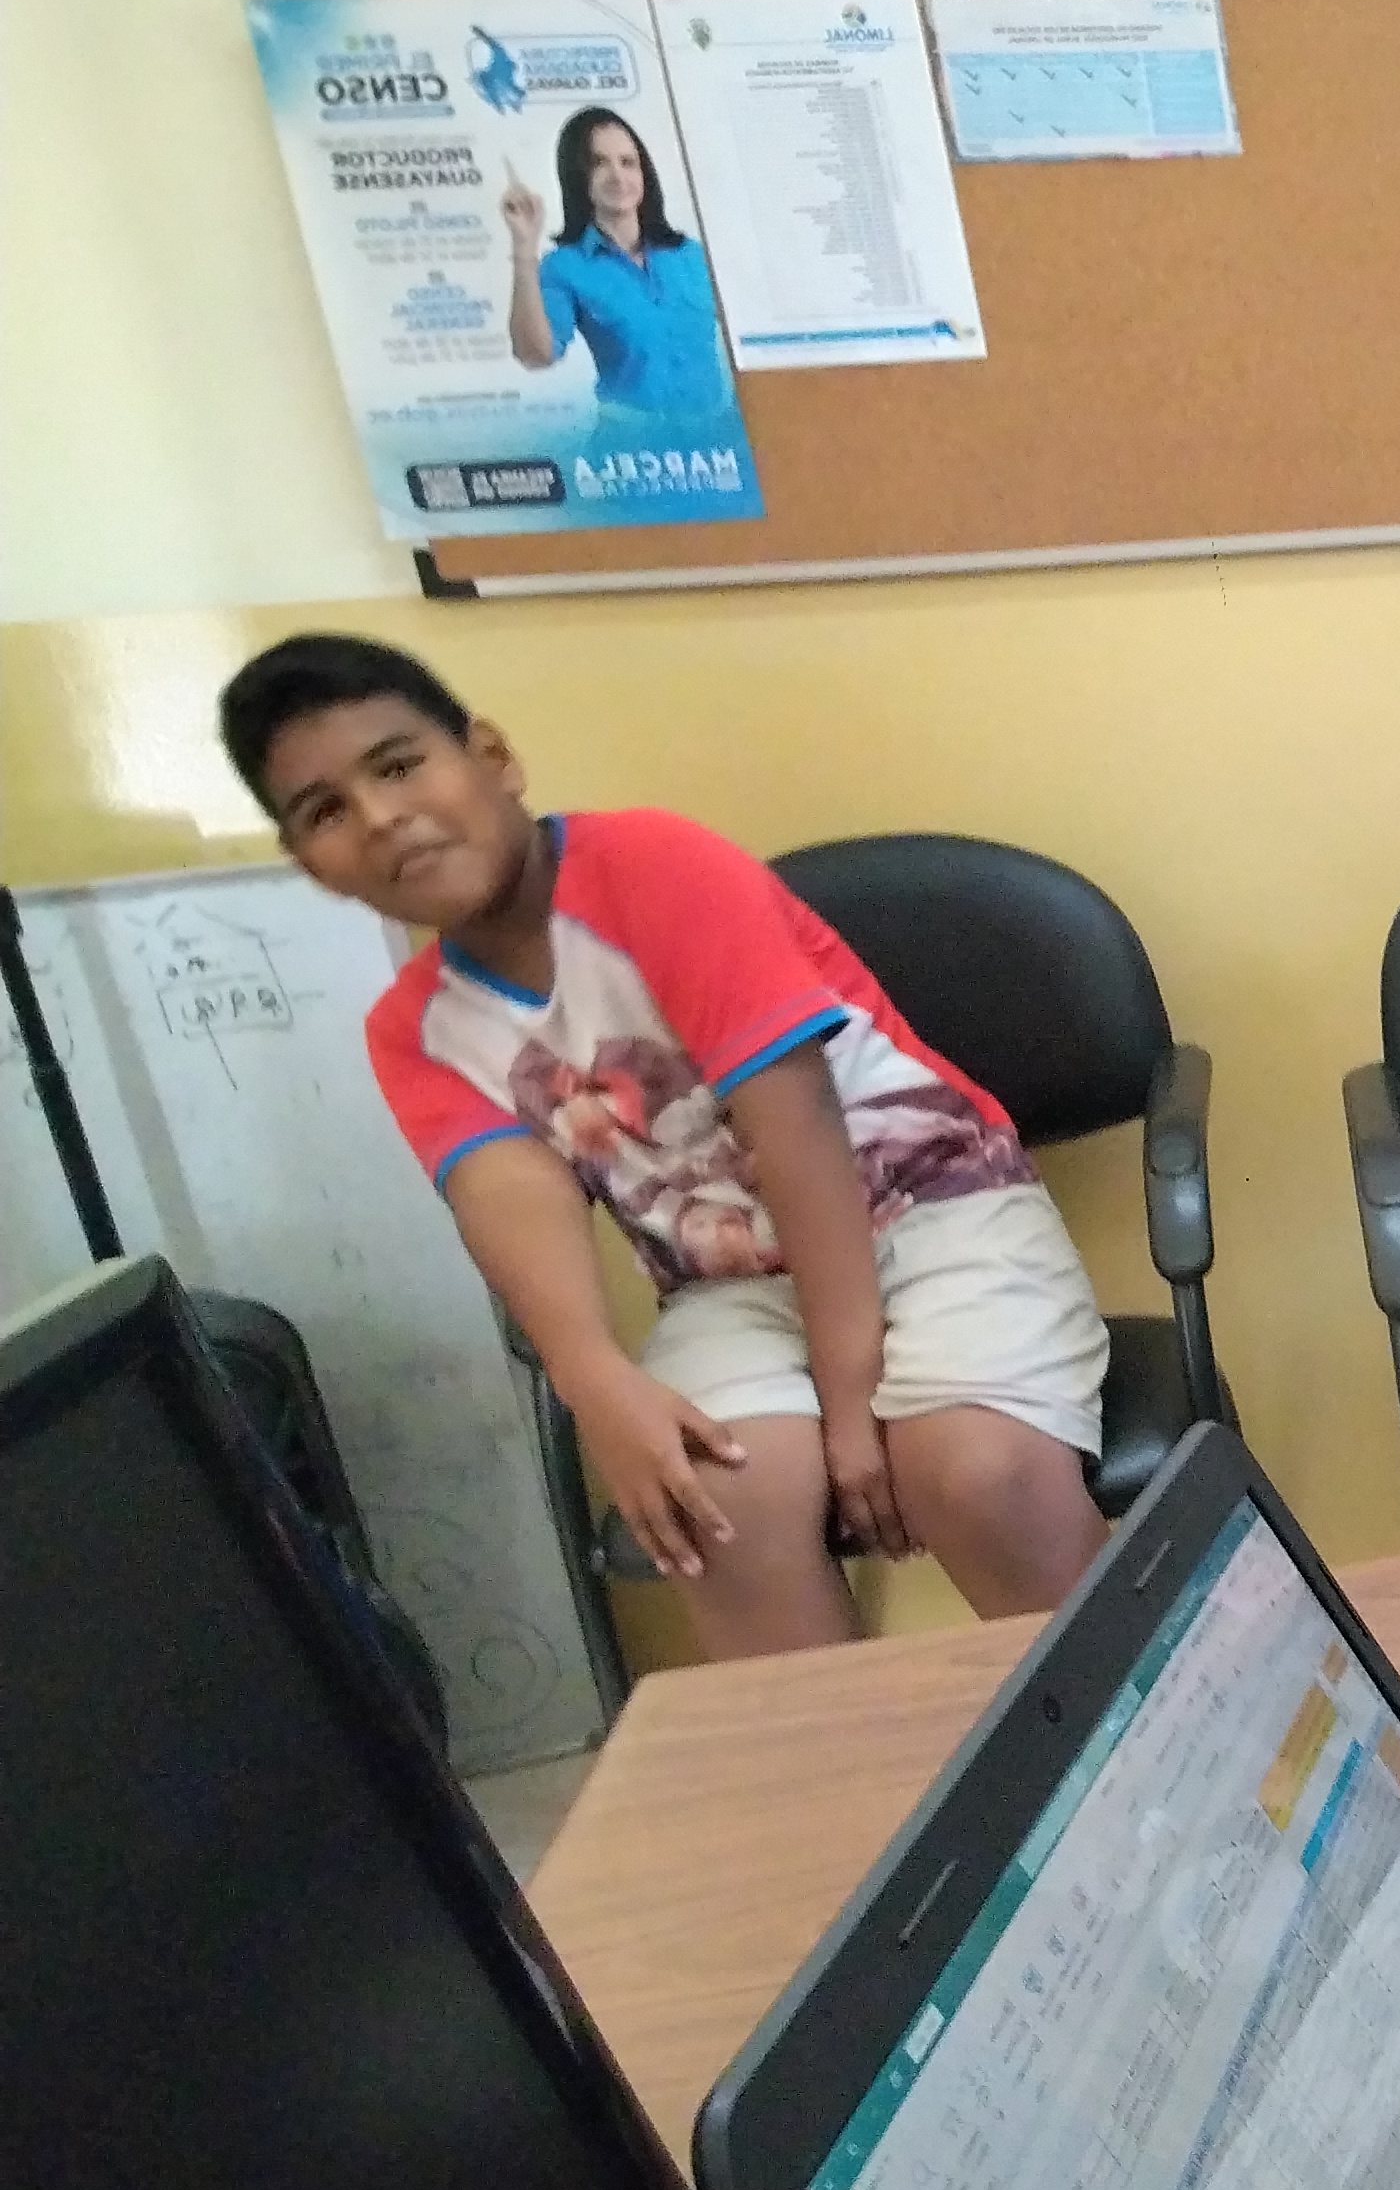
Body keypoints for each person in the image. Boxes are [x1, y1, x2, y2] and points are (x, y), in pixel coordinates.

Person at [219, 632, 1111, 1661]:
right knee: (714, 1509)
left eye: (398, 765)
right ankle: (848, 1766)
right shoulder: (413, 1031)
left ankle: (1156, 1733)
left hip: (931, 1208)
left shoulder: (653, 865)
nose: (380, 817)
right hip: (729, 1287)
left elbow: (798, 1126)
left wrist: (850, 1397)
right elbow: (514, 1207)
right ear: (309, 866)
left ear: (493, 757)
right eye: (326, 811)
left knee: (976, 1471)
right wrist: (599, 1388)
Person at [502, 106, 733, 432]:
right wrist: (524, 248)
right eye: (599, 163)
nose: (618, 176)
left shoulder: (690, 254)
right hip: (630, 444)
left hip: (716, 439)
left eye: (628, 162)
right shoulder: (565, 267)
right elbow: (536, 355)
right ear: (578, 177)